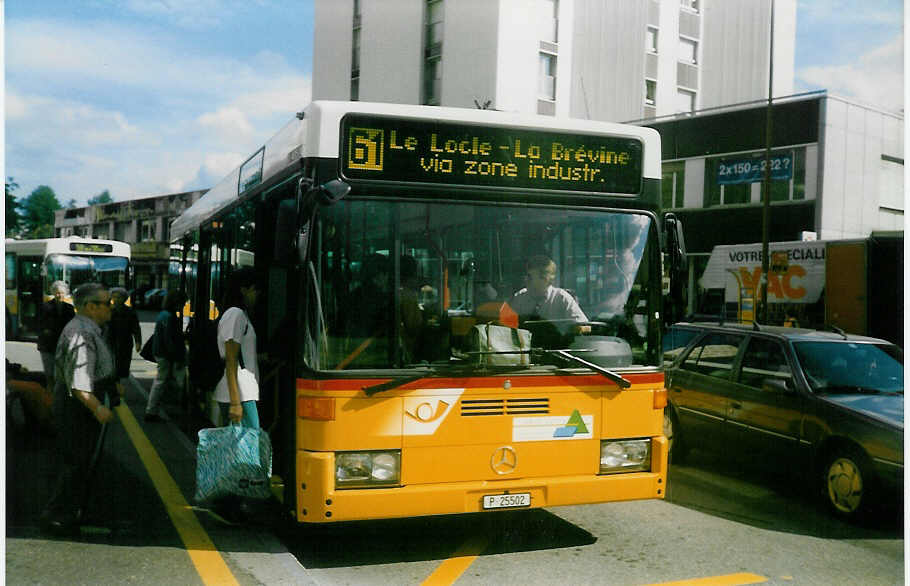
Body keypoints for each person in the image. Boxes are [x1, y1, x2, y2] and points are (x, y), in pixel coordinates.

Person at [41, 283, 117, 535]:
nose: (111, 308)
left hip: (81, 404)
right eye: (107, 303)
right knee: (75, 462)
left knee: (81, 461)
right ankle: (56, 515)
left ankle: (72, 512)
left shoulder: (89, 329)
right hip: (78, 407)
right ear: (90, 306)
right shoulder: (81, 334)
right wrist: (97, 408)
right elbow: (79, 381)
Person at [215, 267, 261, 428]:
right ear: (243, 290)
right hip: (239, 392)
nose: (257, 295)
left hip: (242, 391)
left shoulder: (240, 314)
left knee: (239, 449)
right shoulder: (235, 314)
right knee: (246, 448)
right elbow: (231, 358)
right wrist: (235, 403)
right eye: (254, 290)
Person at [507, 255, 591, 335]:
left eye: (530, 277)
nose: (526, 279)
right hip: (525, 347)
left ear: (545, 279)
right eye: (526, 276)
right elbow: (504, 326)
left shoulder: (561, 297)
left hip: (557, 347)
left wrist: (577, 329)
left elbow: (587, 326)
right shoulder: (519, 298)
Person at [144, 290, 187, 422]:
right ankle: (151, 410)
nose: (184, 306)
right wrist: (176, 357)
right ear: (176, 303)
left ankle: (153, 409)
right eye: (182, 303)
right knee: (161, 381)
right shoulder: (169, 317)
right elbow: (169, 340)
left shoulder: (164, 315)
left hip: (161, 353)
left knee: (162, 381)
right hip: (166, 354)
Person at [37, 281, 75, 394]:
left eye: (62, 293)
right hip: (47, 345)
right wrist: (44, 331)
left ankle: (59, 395)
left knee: (61, 374)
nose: (60, 295)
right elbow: (38, 324)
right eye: (57, 293)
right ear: (53, 293)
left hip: (63, 345)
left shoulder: (69, 308)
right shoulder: (45, 307)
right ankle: (49, 395)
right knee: (49, 373)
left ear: (66, 293)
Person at [104, 287, 141, 394]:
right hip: (109, 341)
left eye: (119, 297)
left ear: (124, 298)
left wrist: (138, 342)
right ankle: (114, 388)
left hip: (125, 342)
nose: (116, 299)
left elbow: (136, 328)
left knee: (121, 367)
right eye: (114, 297)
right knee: (110, 366)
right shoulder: (107, 310)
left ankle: (116, 385)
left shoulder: (130, 312)